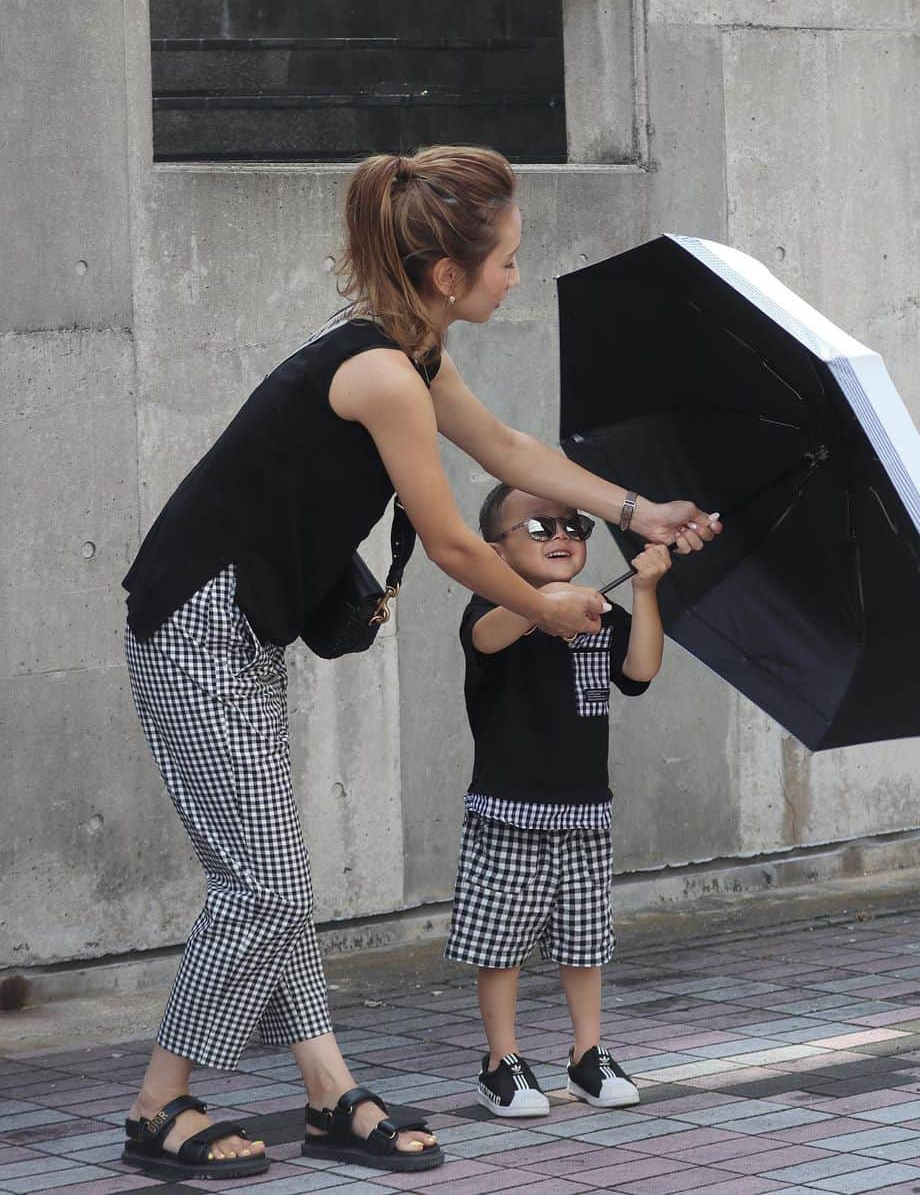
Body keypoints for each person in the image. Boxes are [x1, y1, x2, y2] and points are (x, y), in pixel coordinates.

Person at [119, 144, 721, 1180]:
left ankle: (325, 1091)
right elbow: (452, 544)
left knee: (274, 879)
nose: (516, 276)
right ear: (450, 277)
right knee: (261, 887)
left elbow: (510, 451)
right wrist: (546, 606)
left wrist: (635, 509)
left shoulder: (410, 355)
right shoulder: (382, 375)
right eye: (509, 262)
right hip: (193, 626)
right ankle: (159, 1105)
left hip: (236, 629)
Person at [446, 484, 673, 1116]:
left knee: (584, 941)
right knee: (500, 942)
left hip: (584, 812)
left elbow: (641, 671)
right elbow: (488, 639)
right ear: (496, 551)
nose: (563, 537)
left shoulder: (601, 612)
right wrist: (545, 601)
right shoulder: (490, 605)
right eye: (540, 530)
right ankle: (501, 1060)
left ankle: (587, 1054)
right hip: (507, 810)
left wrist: (645, 591)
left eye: (574, 528)